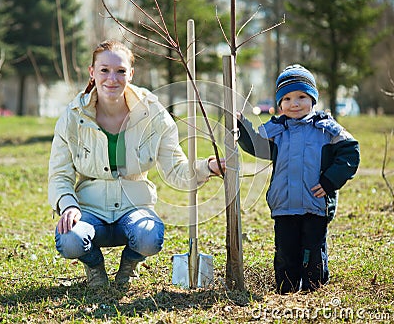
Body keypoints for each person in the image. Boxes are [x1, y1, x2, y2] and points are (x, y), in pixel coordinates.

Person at [48, 40, 224, 289]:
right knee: (69, 239)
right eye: (104, 70)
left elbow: (175, 169)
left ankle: (129, 264)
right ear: (92, 72)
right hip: (90, 210)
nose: (112, 79)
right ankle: (95, 267)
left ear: (131, 74)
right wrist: (68, 206)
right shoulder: (73, 116)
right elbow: (59, 174)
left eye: (120, 71)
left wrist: (208, 167)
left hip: (134, 208)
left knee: (149, 237)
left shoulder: (152, 114)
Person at [237, 64, 360, 294]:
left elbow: (351, 152)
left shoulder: (326, 128)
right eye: (287, 98)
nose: (295, 103)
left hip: (315, 204)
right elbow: (256, 145)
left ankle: (313, 289)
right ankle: (286, 289)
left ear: (313, 99)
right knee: (286, 250)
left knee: (312, 249)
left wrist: (329, 182)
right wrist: (240, 126)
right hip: (284, 205)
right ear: (280, 104)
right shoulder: (276, 130)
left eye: (302, 96)